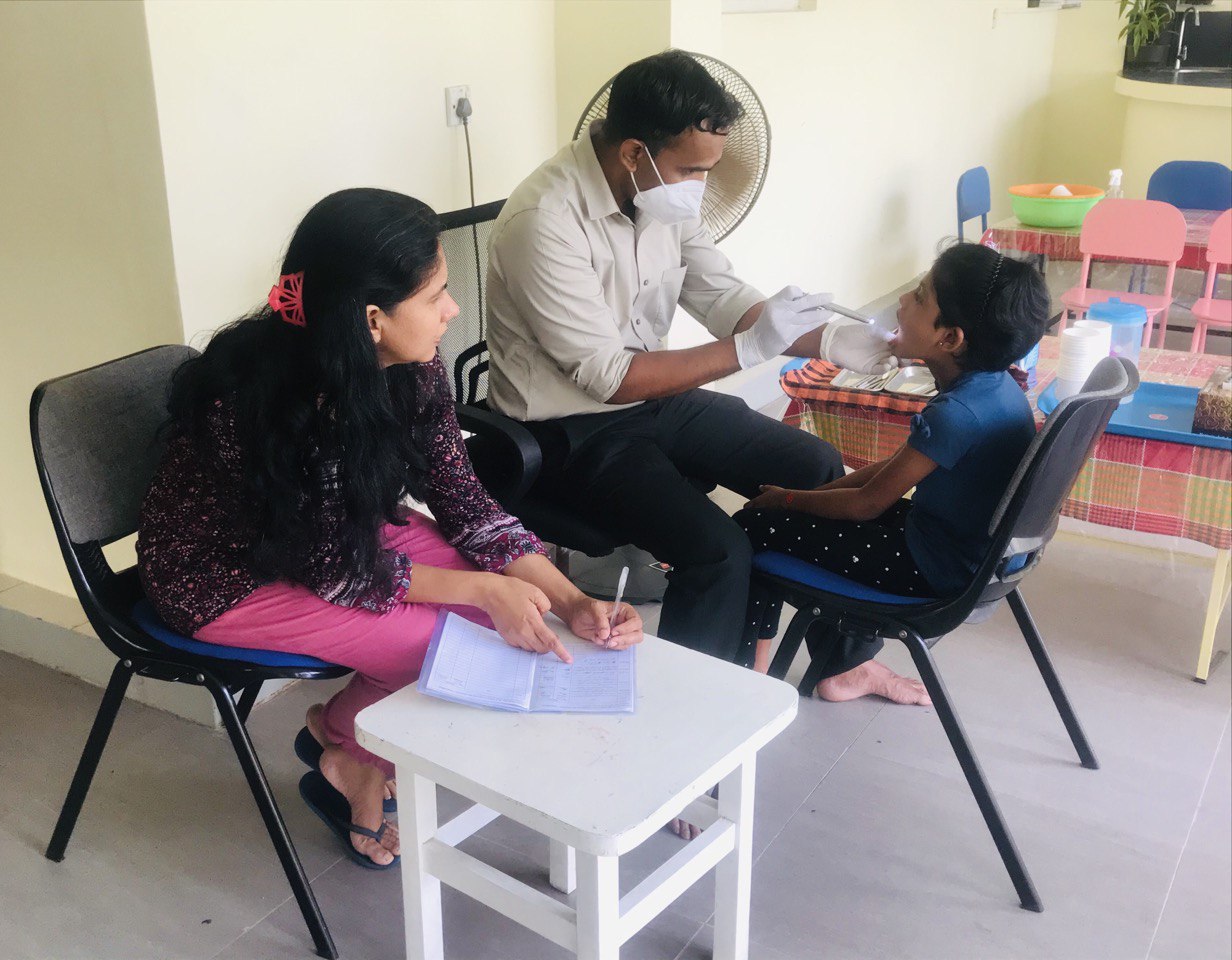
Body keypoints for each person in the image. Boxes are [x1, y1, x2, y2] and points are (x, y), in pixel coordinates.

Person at [137, 188, 644, 870]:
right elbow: (334, 571)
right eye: (436, 295)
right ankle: (353, 755)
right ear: (372, 318)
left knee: (499, 617)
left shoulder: (410, 367)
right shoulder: (265, 404)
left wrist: (572, 599)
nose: (452, 309)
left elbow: (465, 503)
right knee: (445, 651)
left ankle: (339, 740)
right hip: (223, 575)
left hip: (333, 537)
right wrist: (483, 590)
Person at [487, 49, 923, 701]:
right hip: (568, 432)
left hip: (653, 400)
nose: (699, 184)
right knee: (717, 551)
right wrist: (751, 349)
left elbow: (723, 296)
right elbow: (609, 377)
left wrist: (831, 339)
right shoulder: (544, 220)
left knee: (813, 465)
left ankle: (843, 662)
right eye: (691, 169)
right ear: (633, 152)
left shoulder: (659, 196)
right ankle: (690, 717)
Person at [736, 243, 1048, 698]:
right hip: (966, 557)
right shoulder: (997, 389)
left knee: (754, 525)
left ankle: (748, 681)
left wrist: (784, 500)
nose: (902, 301)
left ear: (950, 339)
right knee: (814, 501)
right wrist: (807, 497)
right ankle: (840, 669)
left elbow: (866, 505)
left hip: (932, 570)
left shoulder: (956, 414)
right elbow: (893, 470)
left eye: (920, 297)